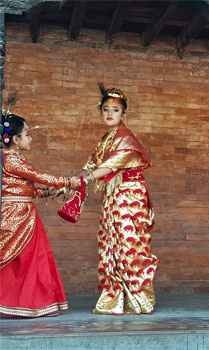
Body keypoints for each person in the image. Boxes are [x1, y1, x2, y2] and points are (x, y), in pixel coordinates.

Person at [81, 84, 158, 315]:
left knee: (130, 244)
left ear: (124, 114)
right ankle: (115, 298)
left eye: (115, 110)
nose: (109, 114)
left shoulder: (127, 140)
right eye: (105, 109)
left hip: (130, 197)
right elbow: (91, 166)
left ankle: (139, 299)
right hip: (113, 197)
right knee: (111, 245)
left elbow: (107, 167)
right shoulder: (106, 139)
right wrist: (70, 182)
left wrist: (82, 180)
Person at [0, 113, 80, 317]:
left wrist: (52, 192)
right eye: (27, 134)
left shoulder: (13, 160)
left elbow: (29, 189)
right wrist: (69, 181)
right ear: (16, 140)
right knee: (22, 259)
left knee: (29, 259)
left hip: (24, 213)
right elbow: (40, 177)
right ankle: (20, 303)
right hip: (17, 215)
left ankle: (24, 303)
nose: (30, 138)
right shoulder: (12, 161)